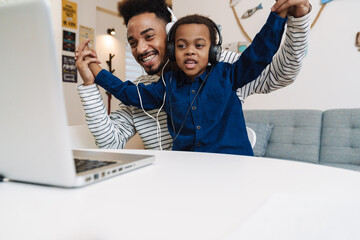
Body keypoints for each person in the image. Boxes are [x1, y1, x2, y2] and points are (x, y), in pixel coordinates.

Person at [76, 0, 311, 150]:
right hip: (178, 181)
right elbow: (110, 142)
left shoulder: (227, 68)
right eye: (132, 42)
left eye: (149, 36)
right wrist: (91, 80)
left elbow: (268, 61)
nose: (140, 49)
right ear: (173, 46)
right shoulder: (149, 89)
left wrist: (288, 18)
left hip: (231, 172)